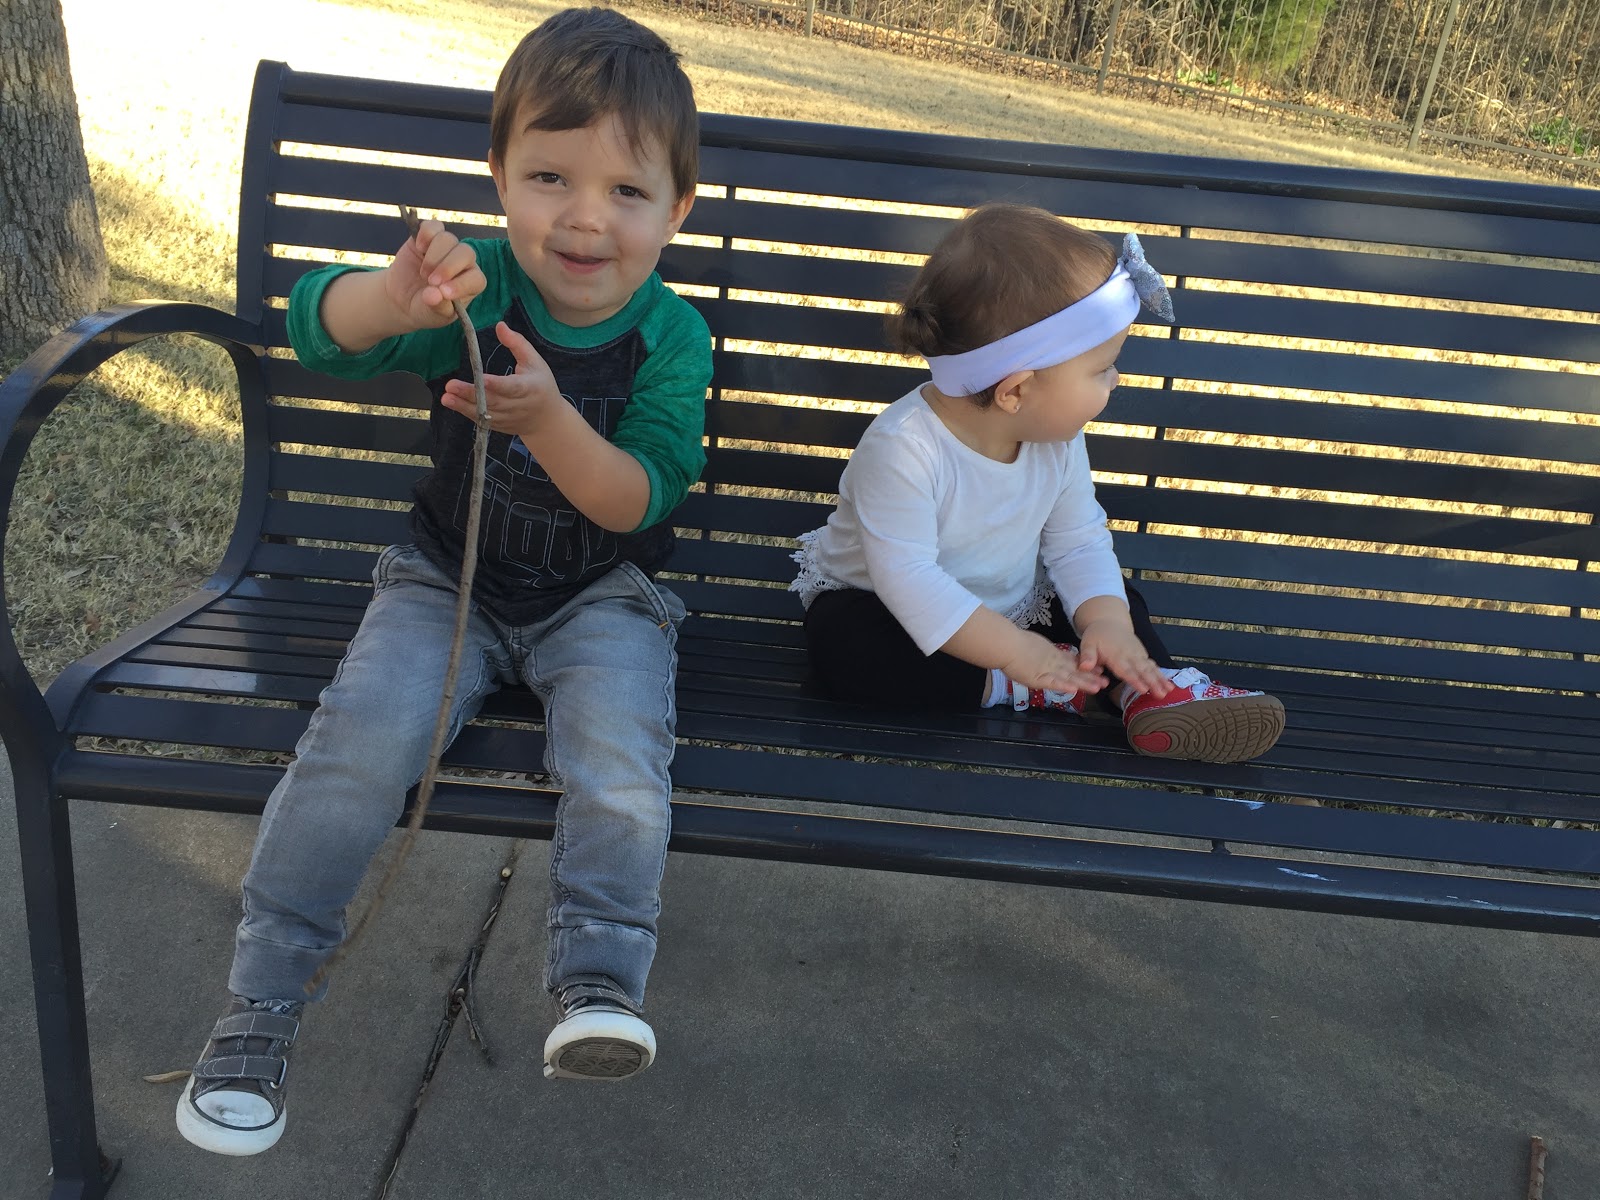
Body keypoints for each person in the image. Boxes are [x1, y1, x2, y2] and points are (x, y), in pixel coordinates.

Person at [176, 7, 710, 1156]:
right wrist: (392, 296)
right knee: (355, 749)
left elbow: (637, 498)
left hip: (603, 597)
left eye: (626, 191)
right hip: (444, 585)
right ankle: (258, 1011)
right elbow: (318, 330)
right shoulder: (475, 289)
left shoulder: (672, 338)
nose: (584, 216)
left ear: (677, 211)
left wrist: (551, 422)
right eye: (550, 177)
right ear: (499, 177)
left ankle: (598, 988)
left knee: (618, 765)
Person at [791, 204, 1284, 763]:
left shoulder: (1056, 439)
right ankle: (1022, 684)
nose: (1116, 379)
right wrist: (1014, 655)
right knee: (847, 646)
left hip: (1013, 602)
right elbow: (910, 581)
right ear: (1016, 391)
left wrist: (1106, 623)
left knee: (1115, 602)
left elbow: (1078, 542)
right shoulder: (903, 449)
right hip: (891, 605)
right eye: (1101, 369)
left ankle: (1145, 687)